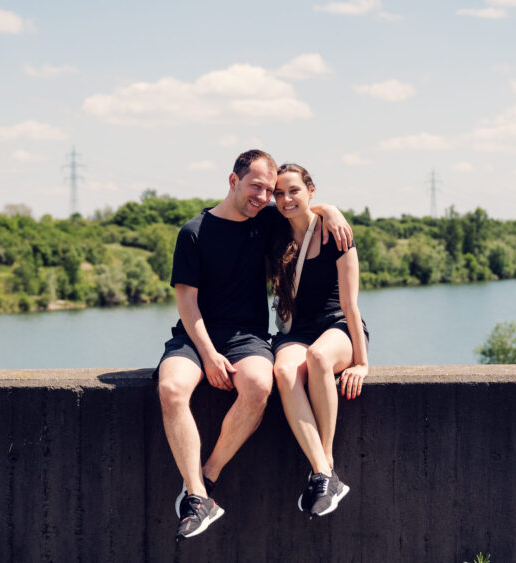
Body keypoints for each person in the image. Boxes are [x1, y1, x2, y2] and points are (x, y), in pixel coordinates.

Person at [156, 150, 353, 540]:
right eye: (256, 187)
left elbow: (303, 208)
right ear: (233, 181)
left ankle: (206, 479)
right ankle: (195, 495)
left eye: (269, 190)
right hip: (196, 337)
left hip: (247, 338)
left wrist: (330, 209)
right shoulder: (193, 232)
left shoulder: (264, 223)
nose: (264, 197)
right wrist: (209, 354)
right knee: (170, 388)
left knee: (260, 387)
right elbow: (186, 303)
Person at [268, 163, 369, 519]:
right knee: (282, 371)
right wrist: (327, 206)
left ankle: (323, 465)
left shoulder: (335, 233)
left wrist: (361, 361)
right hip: (296, 330)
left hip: (337, 326)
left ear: (311, 190)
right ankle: (325, 474)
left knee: (318, 358)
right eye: (278, 193)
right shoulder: (275, 233)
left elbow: (350, 304)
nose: (285, 199)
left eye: (293, 190)